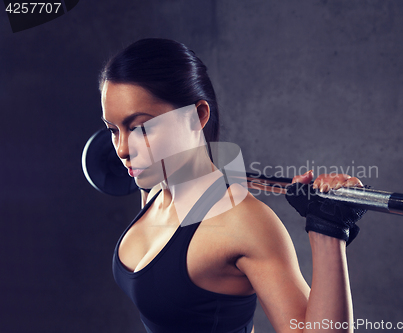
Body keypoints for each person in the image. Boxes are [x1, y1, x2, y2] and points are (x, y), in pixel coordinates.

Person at [99, 38, 364, 333]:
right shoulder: (154, 190)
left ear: (197, 116)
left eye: (140, 128)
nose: (121, 149)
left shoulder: (243, 222)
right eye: (113, 130)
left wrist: (328, 231)